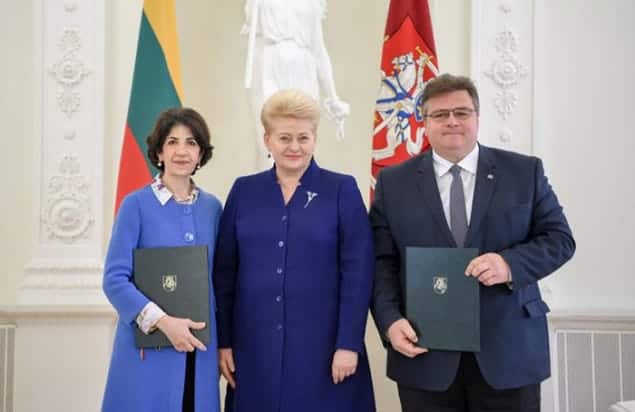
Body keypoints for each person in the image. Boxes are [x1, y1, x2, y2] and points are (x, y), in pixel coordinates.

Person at [370, 74, 576, 412]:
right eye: (440, 114)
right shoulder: (393, 182)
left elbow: (560, 239)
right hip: (426, 353)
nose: (452, 121)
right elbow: (381, 261)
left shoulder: (524, 172)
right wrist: (390, 320)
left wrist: (509, 264)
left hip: (509, 352)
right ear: (424, 123)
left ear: (477, 118)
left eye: (462, 112)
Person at [214, 89, 375, 412]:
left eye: (303, 137)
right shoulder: (244, 191)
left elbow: (358, 273)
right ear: (267, 139)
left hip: (325, 348)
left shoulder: (341, 189)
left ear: (315, 138)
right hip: (254, 347)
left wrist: (348, 344)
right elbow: (225, 274)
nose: (294, 147)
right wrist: (225, 342)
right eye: (284, 137)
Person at [101, 108, 221, 412]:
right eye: (172, 142)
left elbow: (219, 278)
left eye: (191, 142)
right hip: (148, 350)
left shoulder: (212, 208)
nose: (182, 151)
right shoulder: (136, 205)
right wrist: (164, 323)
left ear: (201, 153)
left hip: (200, 351)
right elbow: (115, 280)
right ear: (159, 151)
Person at [242, 0, 350, 169]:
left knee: (302, 134)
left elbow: (319, 49)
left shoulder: (312, 4)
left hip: (303, 65)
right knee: (268, 136)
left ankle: (301, 190)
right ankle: (268, 190)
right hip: (268, 61)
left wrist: (333, 97)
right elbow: (254, 31)